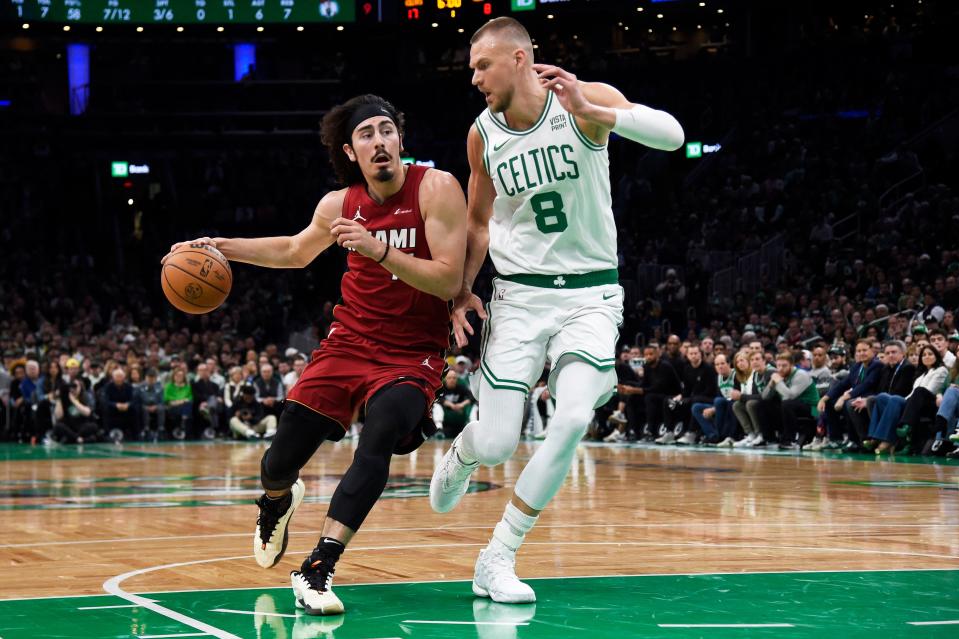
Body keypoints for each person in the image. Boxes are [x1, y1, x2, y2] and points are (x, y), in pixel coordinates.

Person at [164, 93, 466, 615]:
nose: (380, 141)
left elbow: (447, 281)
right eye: (366, 135)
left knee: (378, 439)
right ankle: (276, 500)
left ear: (400, 138)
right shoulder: (338, 204)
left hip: (411, 353)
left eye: (386, 130)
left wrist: (378, 249)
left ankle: (318, 567)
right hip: (349, 344)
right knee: (278, 461)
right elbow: (293, 251)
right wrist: (221, 246)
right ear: (350, 151)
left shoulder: (436, 189)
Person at [429, 16, 683, 604]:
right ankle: (466, 451)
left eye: (482, 66)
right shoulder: (482, 134)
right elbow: (478, 220)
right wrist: (464, 290)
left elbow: (672, 135)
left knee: (570, 418)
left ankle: (498, 555)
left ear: (519, 59)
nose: (474, 79)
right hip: (519, 297)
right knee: (495, 442)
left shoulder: (581, 102)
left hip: (590, 294)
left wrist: (598, 114)